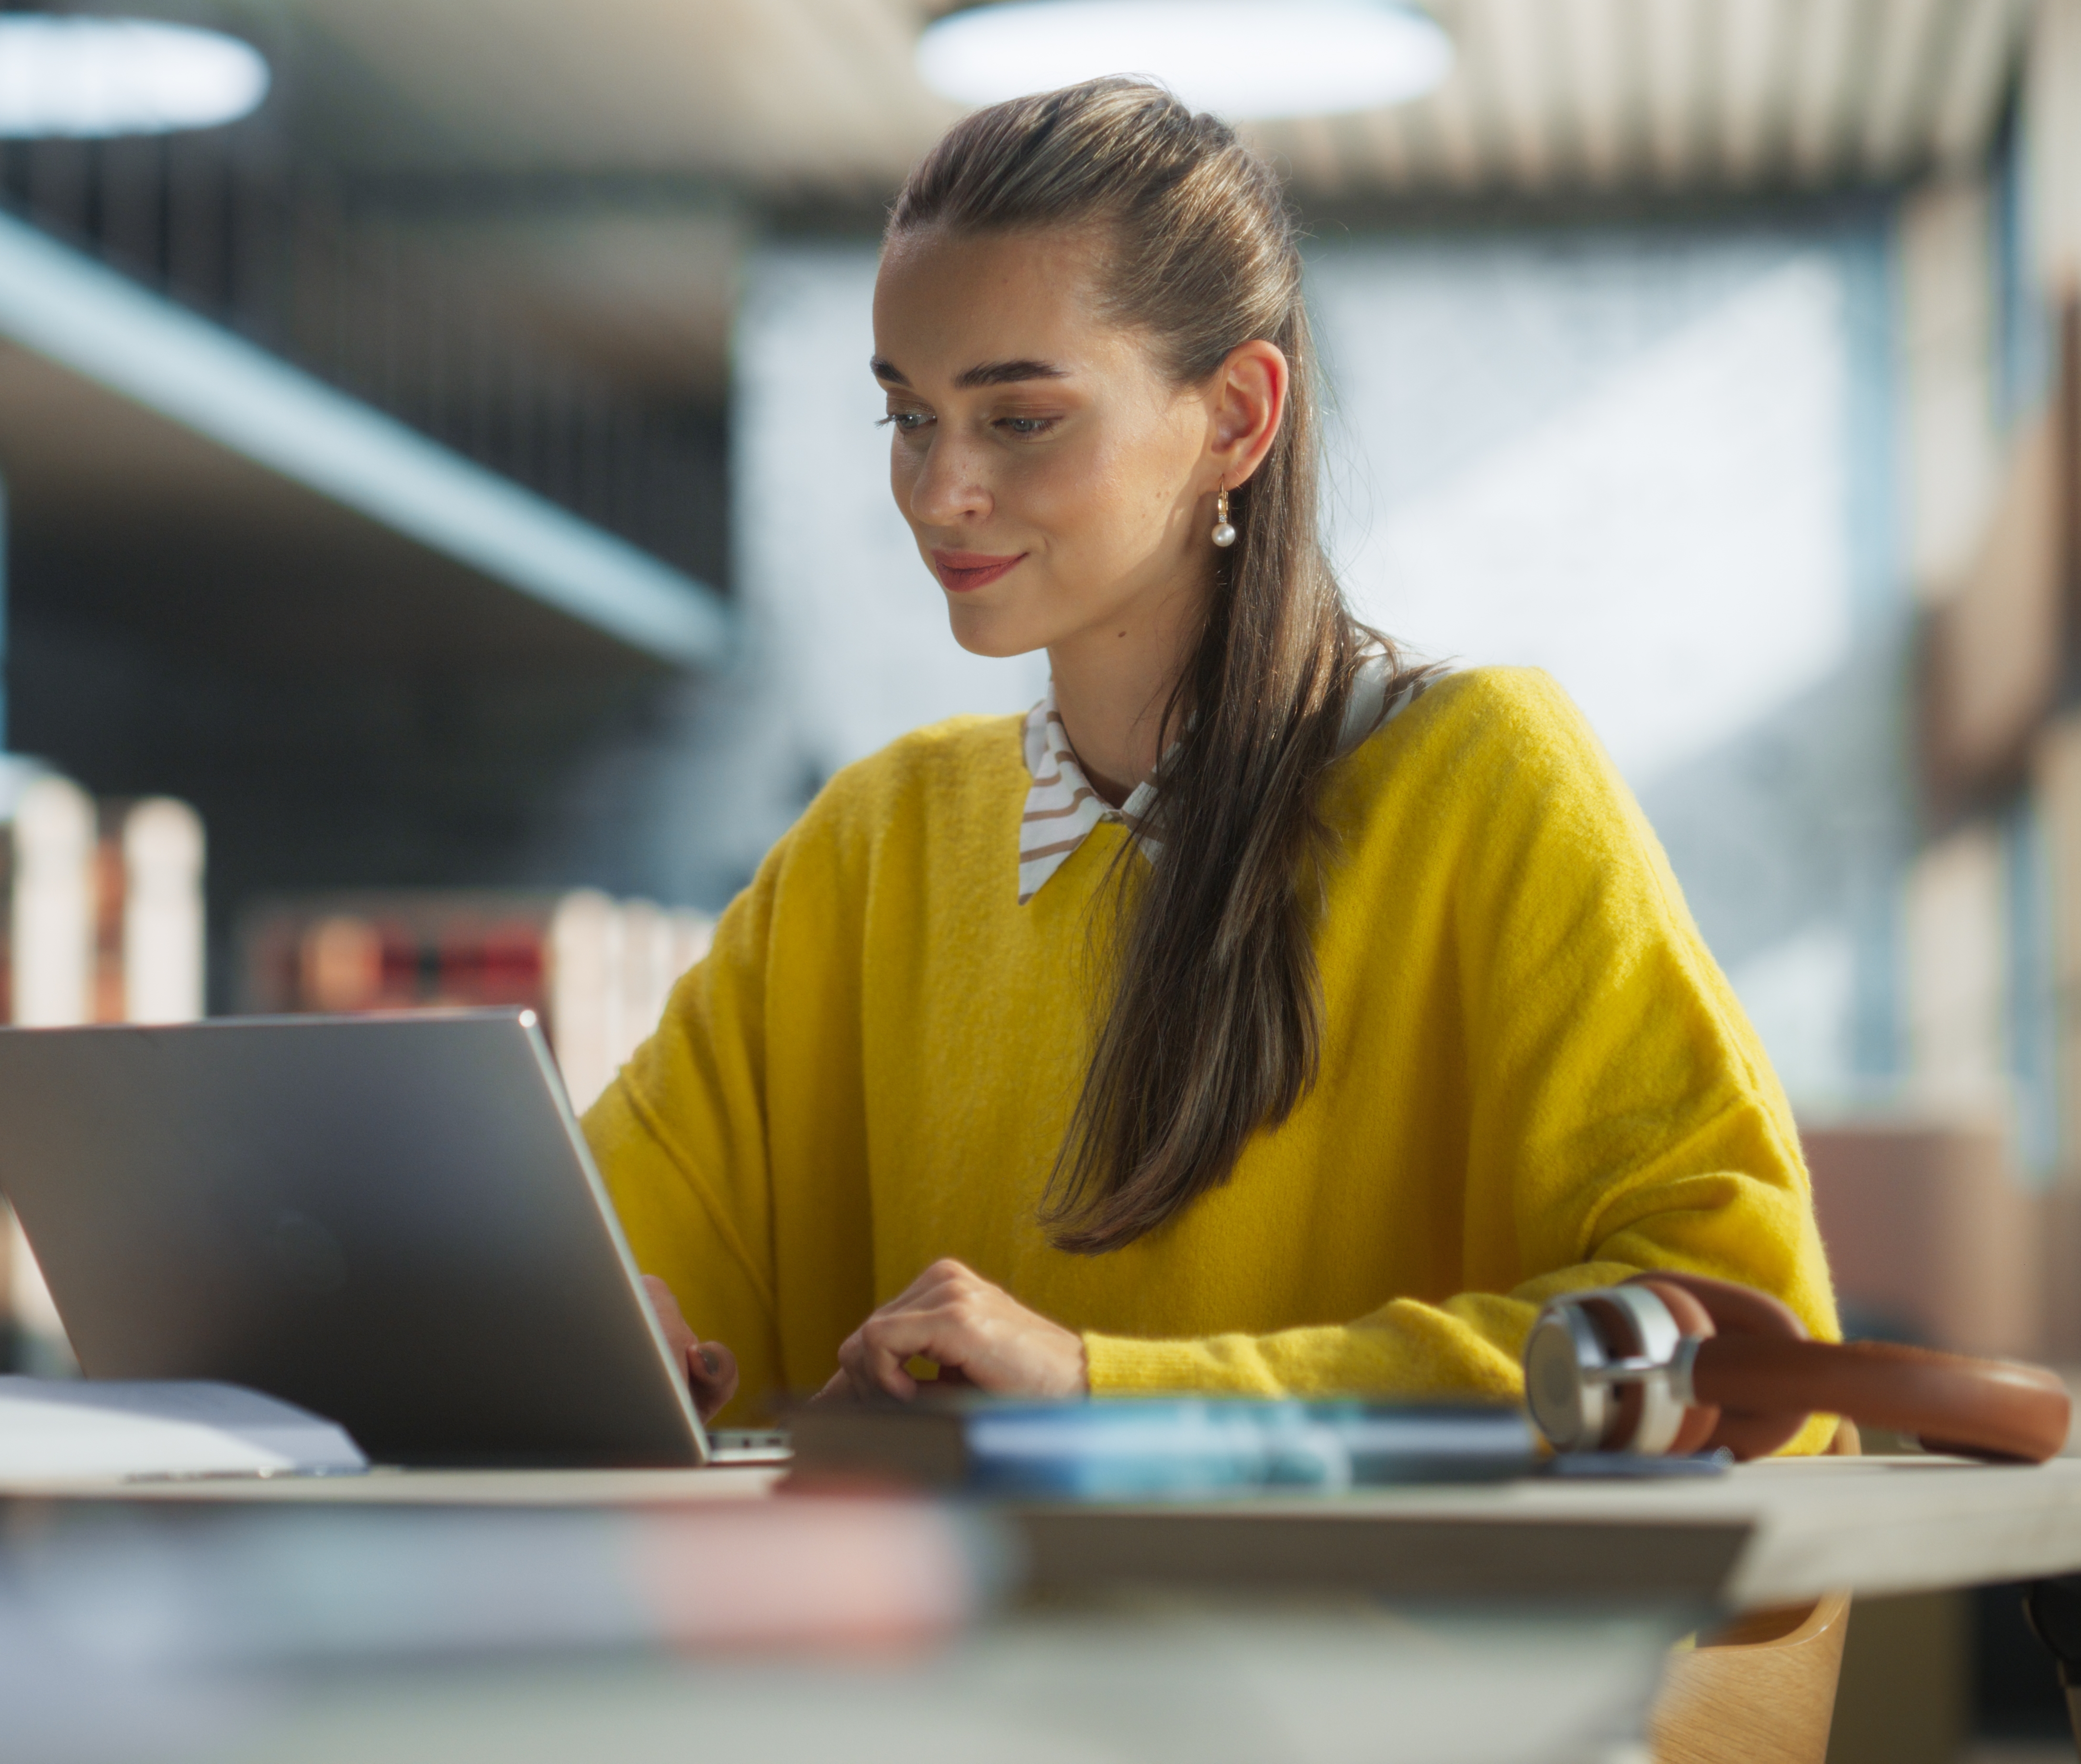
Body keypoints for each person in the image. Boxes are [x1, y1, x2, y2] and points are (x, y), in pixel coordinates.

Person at [583, 76, 1836, 1435]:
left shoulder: (1487, 778)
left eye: (1019, 417)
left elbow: (1749, 1341)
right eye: (909, 414)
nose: (941, 488)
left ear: (1238, 417)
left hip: (1369, 1646)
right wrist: (604, 1319)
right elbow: (612, 1245)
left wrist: (1106, 1391)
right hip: (956, 1647)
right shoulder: (873, 843)